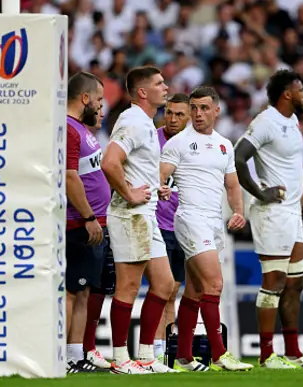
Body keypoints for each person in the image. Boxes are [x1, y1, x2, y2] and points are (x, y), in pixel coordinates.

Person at [159, 86, 253, 372]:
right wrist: (160, 187)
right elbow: (161, 174)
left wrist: (238, 211)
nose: (198, 114)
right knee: (215, 284)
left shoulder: (225, 144)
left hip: (213, 221)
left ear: (216, 110)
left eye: (203, 108)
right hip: (190, 218)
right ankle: (219, 354)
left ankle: (185, 357)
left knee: (196, 290)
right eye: (194, 108)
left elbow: (233, 184)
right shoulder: (178, 143)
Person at [234, 70, 303, 368]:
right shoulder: (266, 122)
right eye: (301, 90)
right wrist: (259, 192)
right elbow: (238, 156)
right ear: (287, 94)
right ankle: (266, 354)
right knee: (274, 281)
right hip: (272, 212)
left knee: (296, 283)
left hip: (292, 212)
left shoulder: (292, 121)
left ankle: (293, 352)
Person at [100, 66, 176, 374]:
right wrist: (129, 193)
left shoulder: (144, 122)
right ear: (142, 92)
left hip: (146, 214)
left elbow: (129, 165)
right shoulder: (133, 120)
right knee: (128, 286)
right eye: (159, 83)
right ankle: (120, 359)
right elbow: (109, 162)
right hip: (130, 214)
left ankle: (146, 356)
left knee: (165, 284)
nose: (166, 87)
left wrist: (153, 186)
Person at [65, 71, 111, 373]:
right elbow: (69, 178)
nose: (99, 104)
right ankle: (64, 357)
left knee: (82, 292)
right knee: (72, 291)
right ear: (84, 98)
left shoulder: (81, 129)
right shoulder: (69, 130)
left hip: (92, 224)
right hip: (79, 225)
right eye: (98, 99)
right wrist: (89, 218)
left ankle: (75, 355)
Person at [153, 93, 192, 360]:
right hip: (158, 225)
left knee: (173, 292)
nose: (173, 118)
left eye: (179, 114)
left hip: (185, 227)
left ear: (189, 117)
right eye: (169, 112)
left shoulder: (194, 145)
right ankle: (153, 351)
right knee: (161, 290)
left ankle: (165, 352)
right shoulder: (150, 140)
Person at [80, 110, 118, 371]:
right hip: (88, 223)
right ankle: (80, 350)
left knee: (100, 288)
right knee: (83, 290)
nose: (101, 109)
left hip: (103, 221)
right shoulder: (76, 134)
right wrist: (88, 216)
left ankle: (87, 348)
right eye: (98, 102)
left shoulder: (92, 137)